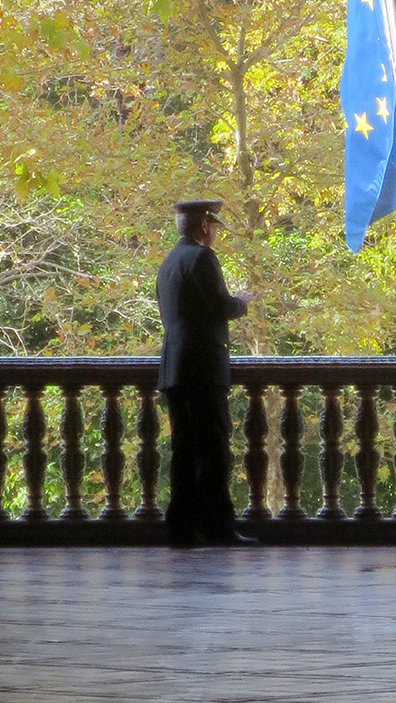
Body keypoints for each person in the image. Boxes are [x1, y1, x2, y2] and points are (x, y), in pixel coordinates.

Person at [156, 199, 256, 547]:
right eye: (214, 227)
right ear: (203, 227)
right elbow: (218, 306)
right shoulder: (201, 258)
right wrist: (241, 301)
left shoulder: (168, 264)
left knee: (183, 451)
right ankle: (218, 527)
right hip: (202, 370)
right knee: (213, 449)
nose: (215, 233)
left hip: (174, 370)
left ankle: (182, 528)